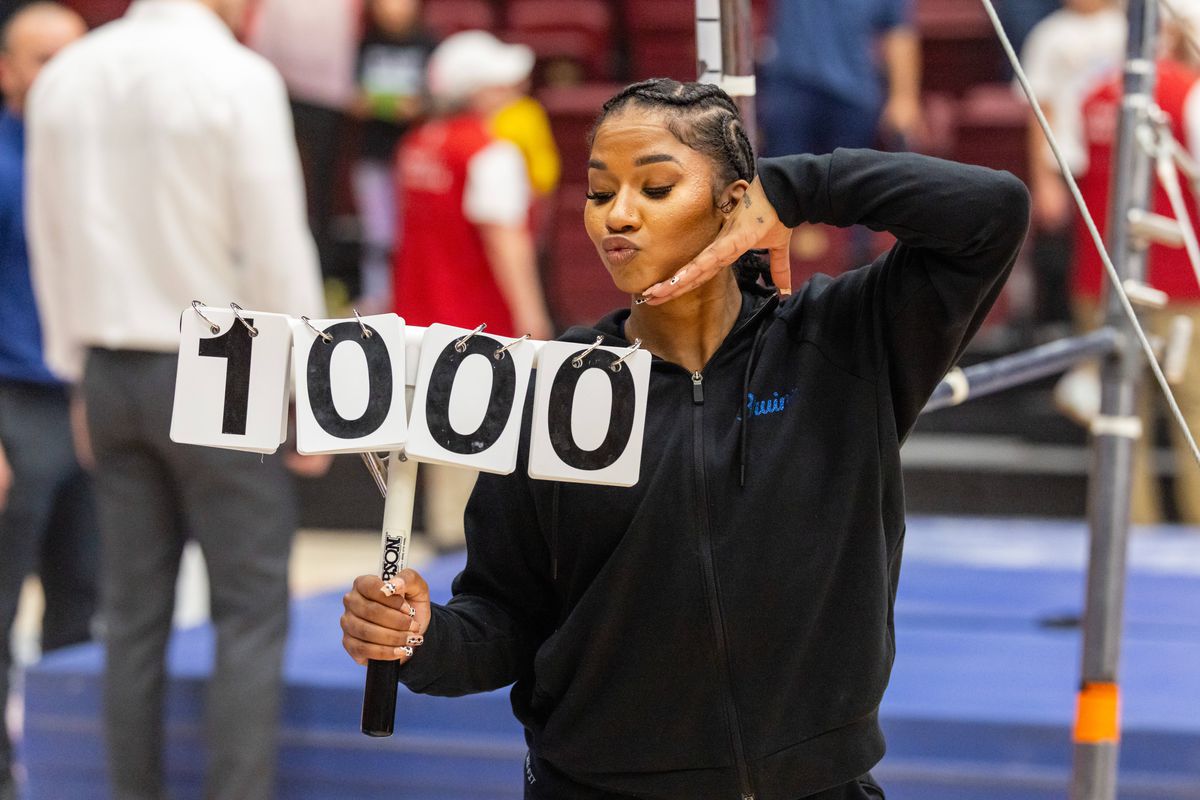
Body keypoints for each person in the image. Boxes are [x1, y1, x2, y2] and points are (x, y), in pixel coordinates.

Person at [342, 78, 1030, 798]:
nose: (618, 214)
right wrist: (421, 637)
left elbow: (992, 211)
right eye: (600, 192)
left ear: (735, 202)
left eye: (657, 187)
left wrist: (794, 188)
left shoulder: (842, 340)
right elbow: (506, 617)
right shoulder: (553, 385)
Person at [24, 1, 326, 797]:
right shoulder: (237, 75)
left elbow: (48, 239)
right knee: (249, 610)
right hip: (225, 357)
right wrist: (309, 387)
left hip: (109, 363)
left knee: (129, 617)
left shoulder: (67, 75)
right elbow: (276, 245)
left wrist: (73, 369)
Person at [393, 30, 554, 552]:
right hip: (478, 324)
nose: (515, 88)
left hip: (419, 318)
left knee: (435, 448)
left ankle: (445, 546)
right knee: (476, 452)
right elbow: (506, 241)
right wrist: (533, 317)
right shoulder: (491, 152)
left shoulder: (418, 143)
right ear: (480, 90)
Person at [0, 5, 91, 799]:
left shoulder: (96, 160)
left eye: (74, 58)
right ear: (7, 69)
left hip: (87, 405)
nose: (61, 75)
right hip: (12, 405)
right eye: (42, 59)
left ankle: (62, 771)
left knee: (83, 601)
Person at [1067, 1, 1200, 524]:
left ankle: (1129, 536)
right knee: (1193, 413)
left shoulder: (1093, 90)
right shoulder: (1190, 92)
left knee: (1119, 418)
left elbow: (1065, 168)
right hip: (1179, 283)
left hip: (1101, 276)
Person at [1020, 0, 1126, 336]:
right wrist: (1044, 180)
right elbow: (1040, 110)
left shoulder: (1130, 30)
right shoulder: (1050, 35)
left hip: (1120, 163)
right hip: (1070, 163)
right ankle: (1065, 331)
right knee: (1065, 259)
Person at [352, 0, 437, 312]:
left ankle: (413, 297)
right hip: (373, 153)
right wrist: (364, 102)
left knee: (414, 234)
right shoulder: (363, 44)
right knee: (377, 234)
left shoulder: (429, 45)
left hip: (417, 158)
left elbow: (440, 99)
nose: (392, 8)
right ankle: (377, 297)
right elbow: (351, 93)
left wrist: (420, 106)